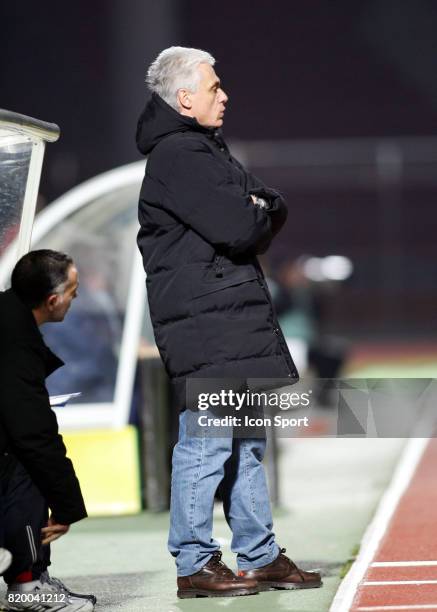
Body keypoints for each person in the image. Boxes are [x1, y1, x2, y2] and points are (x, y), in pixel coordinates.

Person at [136, 46, 322, 598]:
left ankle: (259, 555)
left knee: (245, 443)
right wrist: (259, 207)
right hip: (210, 327)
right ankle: (194, 563)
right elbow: (243, 226)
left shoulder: (200, 150)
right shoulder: (180, 156)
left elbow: (262, 207)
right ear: (185, 98)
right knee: (208, 443)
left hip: (226, 323)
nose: (225, 94)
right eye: (214, 87)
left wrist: (261, 206)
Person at [0, 250, 96, 611]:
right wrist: (67, 506)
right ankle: (27, 586)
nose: (77, 296)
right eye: (73, 289)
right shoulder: (16, 342)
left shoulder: (9, 316)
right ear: (52, 300)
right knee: (27, 463)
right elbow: (34, 434)